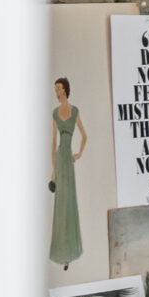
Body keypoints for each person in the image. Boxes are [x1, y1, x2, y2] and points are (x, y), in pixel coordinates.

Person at [48, 76, 88, 271]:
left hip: (69, 161)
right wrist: (53, 172)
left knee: (69, 204)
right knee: (60, 205)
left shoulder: (74, 111)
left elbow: (84, 135)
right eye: (55, 88)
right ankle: (62, 254)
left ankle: (70, 253)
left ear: (64, 90)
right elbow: (53, 142)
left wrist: (78, 154)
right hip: (60, 161)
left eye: (58, 87)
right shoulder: (55, 113)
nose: (56, 91)